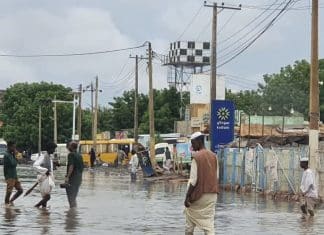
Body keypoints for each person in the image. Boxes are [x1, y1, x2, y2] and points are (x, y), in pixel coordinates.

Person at [184, 132, 219, 235]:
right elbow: (216, 177)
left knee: (189, 219)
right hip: (212, 195)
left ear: (199, 142)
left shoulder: (196, 157)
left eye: (193, 143)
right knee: (209, 225)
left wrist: (187, 197)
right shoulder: (214, 156)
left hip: (199, 196)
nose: (192, 146)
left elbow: (193, 181)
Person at [32, 142, 57, 208]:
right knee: (47, 196)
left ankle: (44, 211)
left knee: (45, 197)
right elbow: (35, 165)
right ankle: (36, 206)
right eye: (53, 149)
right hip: (44, 177)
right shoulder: (43, 156)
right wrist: (45, 171)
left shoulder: (49, 156)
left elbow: (49, 167)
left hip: (48, 177)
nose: (54, 151)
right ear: (49, 149)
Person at [3, 140, 23, 206]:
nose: (14, 149)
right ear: (9, 147)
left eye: (15, 147)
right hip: (9, 176)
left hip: (14, 176)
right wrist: (15, 156)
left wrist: (17, 155)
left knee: (20, 190)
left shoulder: (12, 154)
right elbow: (13, 163)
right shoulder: (6, 155)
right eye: (13, 147)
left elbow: (20, 161)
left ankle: (11, 201)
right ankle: (6, 204)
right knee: (9, 191)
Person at [65, 141, 84, 208]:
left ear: (71, 147)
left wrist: (67, 177)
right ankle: (74, 213)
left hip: (72, 179)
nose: (68, 147)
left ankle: (72, 214)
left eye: (69, 146)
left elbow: (71, 166)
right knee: (74, 197)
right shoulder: (80, 155)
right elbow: (82, 168)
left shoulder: (71, 155)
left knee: (70, 197)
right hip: (79, 179)